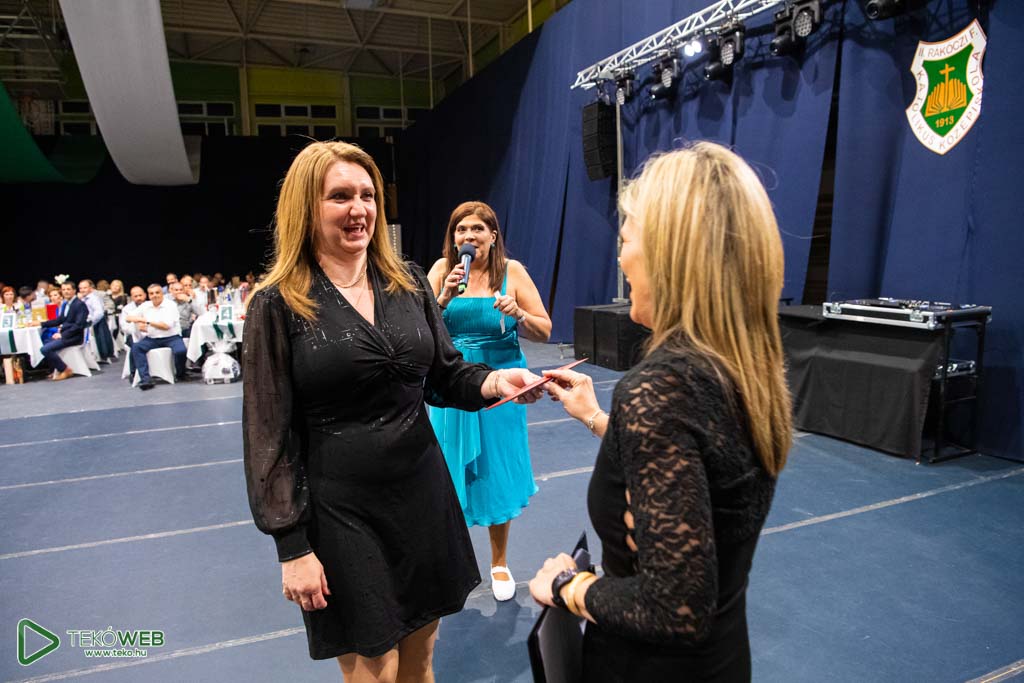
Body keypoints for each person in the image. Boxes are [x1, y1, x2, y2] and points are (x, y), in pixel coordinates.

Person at [241, 140, 543, 682]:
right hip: (341, 512)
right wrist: (292, 546)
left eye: (368, 195)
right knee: (374, 669)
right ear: (305, 206)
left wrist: (499, 380)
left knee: (420, 661)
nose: (359, 209)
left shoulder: (407, 283)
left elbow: (446, 374)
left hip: (422, 496)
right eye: (340, 196)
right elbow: (268, 435)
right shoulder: (278, 303)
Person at [528, 143, 793, 682]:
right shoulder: (738, 369)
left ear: (670, 255)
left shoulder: (661, 389)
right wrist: (598, 419)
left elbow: (675, 609)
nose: (621, 259)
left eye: (626, 241)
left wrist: (568, 586)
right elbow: (701, 471)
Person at [426, 201, 552, 601]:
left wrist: (519, 315)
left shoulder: (513, 273)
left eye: (478, 229)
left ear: (493, 236)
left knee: (496, 473)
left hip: (503, 386)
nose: (469, 236)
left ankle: (499, 562)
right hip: (451, 384)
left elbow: (545, 330)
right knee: (447, 474)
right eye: (461, 230)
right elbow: (418, 330)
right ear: (453, 238)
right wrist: (441, 300)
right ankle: (452, 561)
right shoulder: (441, 271)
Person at [125, 284, 187, 390]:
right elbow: (128, 317)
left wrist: (147, 321)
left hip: (171, 337)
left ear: (162, 293)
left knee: (180, 351)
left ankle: (180, 374)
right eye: (151, 293)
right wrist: (139, 321)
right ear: (148, 295)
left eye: (157, 292)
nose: (154, 295)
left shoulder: (170, 305)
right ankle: (145, 379)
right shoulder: (145, 305)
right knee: (136, 347)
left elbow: (166, 326)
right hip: (152, 338)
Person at [31, 280, 89, 381]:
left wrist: (63, 335)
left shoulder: (79, 305)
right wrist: (41, 323)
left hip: (74, 337)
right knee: (45, 342)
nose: (66, 291)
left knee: (45, 349)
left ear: (74, 290)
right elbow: (59, 320)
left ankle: (65, 369)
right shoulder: (66, 304)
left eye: (68, 289)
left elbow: (79, 325)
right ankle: (54, 369)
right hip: (66, 334)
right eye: (64, 289)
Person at [78, 279, 114, 363]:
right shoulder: (83, 298)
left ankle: (98, 357)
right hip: (86, 322)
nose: (82, 290)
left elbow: (99, 312)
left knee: (98, 340)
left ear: (90, 288)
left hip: (95, 322)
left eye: (85, 288)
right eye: (81, 288)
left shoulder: (93, 298)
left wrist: (91, 322)